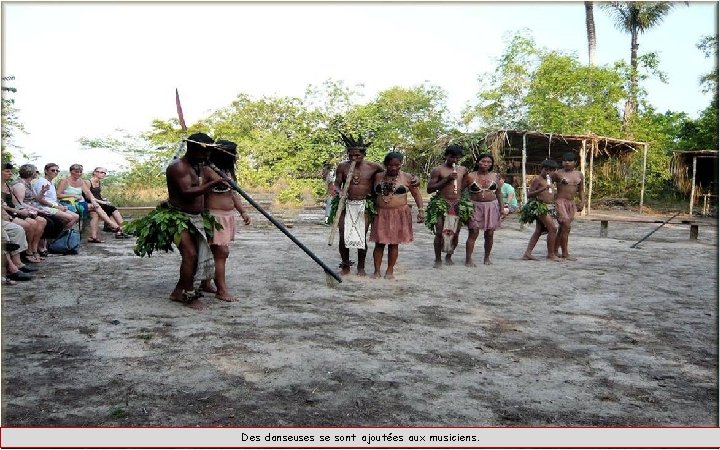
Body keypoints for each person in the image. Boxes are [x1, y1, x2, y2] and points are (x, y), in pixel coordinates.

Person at [165, 132, 228, 310]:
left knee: (195, 255)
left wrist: (224, 182)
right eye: (204, 152)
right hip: (178, 217)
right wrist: (210, 185)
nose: (207, 155)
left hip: (197, 218)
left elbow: (219, 182)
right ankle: (189, 296)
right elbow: (186, 192)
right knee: (190, 255)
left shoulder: (200, 166)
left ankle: (178, 291)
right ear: (192, 148)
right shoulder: (178, 167)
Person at [202, 139, 252, 302]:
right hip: (213, 217)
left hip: (227, 216)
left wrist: (242, 211)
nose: (236, 156)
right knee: (221, 252)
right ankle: (221, 290)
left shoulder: (228, 171)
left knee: (215, 251)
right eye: (233, 153)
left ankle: (205, 283)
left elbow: (233, 194)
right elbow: (200, 193)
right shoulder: (208, 170)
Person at [332, 133, 384, 276]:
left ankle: (361, 267)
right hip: (345, 204)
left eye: (357, 156)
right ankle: (345, 265)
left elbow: (391, 174)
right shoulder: (342, 166)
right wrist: (340, 191)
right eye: (351, 155)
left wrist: (414, 179)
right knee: (343, 236)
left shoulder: (374, 167)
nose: (354, 158)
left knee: (361, 235)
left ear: (364, 154)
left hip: (364, 204)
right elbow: (336, 184)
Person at [369, 151, 424, 280]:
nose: (394, 168)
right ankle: (376, 270)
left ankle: (390, 270)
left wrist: (421, 210)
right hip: (380, 213)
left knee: (394, 243)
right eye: (390, 165)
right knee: (379, 243)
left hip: (399, 214)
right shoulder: (377, 176)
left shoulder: (407, 177)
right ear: (385, 164)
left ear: (401, 164)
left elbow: (416, 194)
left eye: (397, 165)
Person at [426, 143, 469, 268]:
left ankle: (449, 255)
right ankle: (437, 259)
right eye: (452, 157)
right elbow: (429, 189)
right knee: (440, 232)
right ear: (446, 156)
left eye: (457, 157)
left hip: (457, 204)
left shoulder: (463, 170)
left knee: (455, 232)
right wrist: (447, 180)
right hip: (441, 203)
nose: (455, 160)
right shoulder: (438, 170)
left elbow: (465, 183)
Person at [56, 163, 120, 243]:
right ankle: (112, 224)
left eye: (80, 172)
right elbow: (58, 195)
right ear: (71, 172)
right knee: (95, 207)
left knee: (94, 213)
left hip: (79, 203)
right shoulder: (65, 181)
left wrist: (94, 201)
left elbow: (88, 193)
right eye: (76, 172)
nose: (79, 174)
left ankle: (93, 237)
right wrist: (73, 195)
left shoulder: (81, 182)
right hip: (67, 203)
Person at [462, 153, 507, 266]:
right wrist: (463, 206)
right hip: (474, 206)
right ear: (478, 162)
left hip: (491, 206)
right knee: (474, 232)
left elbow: (499, 193)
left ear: (491, 164)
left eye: (489, 162)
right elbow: (459, 191)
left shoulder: (495, 176)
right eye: (483, 161)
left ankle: (487, 257)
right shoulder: (470, 176)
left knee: (490, 233)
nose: (486, 164)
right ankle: (468, 259)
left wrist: (502, 208)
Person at [2, 162, 47, 263]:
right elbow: (7, 206)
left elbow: (16, 202)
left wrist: (23, 210)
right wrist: (21, 211)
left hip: (14, 211)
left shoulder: (8, 186)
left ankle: (34, 250)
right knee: (30, 224)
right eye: (7, 171)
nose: (10, 173)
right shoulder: (19, 185)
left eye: (11, 171)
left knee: (41, 221)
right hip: (8, 214)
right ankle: (28, 252)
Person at [520, 159, 561, 261]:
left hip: (549, 206)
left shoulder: (550, 179)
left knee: (538, 231)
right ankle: (551, 254)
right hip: (539, 206)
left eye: (551, 170)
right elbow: (529, 194)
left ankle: (527, 253)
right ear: (540, 169)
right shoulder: (537, 179)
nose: (548, 172)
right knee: (553, 228)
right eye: (546, 169)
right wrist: (542, 189)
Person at [553, 152, 585, 261]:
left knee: (563, 228)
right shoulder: (557, 173)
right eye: (565, 160)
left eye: (570, 160)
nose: (566, 162)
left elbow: (581, 190)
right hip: (560, 202)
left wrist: (582, 202)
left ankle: (554, 250)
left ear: (575, 162)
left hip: (571, 203)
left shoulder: (579, 174)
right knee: (566, 226)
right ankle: (565, 253)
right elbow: (546, 181)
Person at [31, 163, 80, 231]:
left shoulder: (51, 183)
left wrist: (59, 205)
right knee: (71, 217)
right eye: (53, 170)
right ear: (46, 171)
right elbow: (41, 200)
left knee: (76, 216)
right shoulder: (42, 182)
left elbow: (52, 198)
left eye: (57, 170)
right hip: (43, 207)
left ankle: (61, 236)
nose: (55, 172)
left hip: (53, 205)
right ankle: (59, 238)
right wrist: (56, 207)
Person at [87, 167, 131, 239]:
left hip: (99, 202)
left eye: (103, 173)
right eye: (100, 172)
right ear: (95, 172)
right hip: (91, 202)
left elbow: (97, 194)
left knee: (112, 209)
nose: (102, 174)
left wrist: (103, 199)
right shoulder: (88, 182)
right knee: (111, 209)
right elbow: (88, 196)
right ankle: (121, 229)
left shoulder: (99, 182)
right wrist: (100, 201)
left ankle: (121, 229)